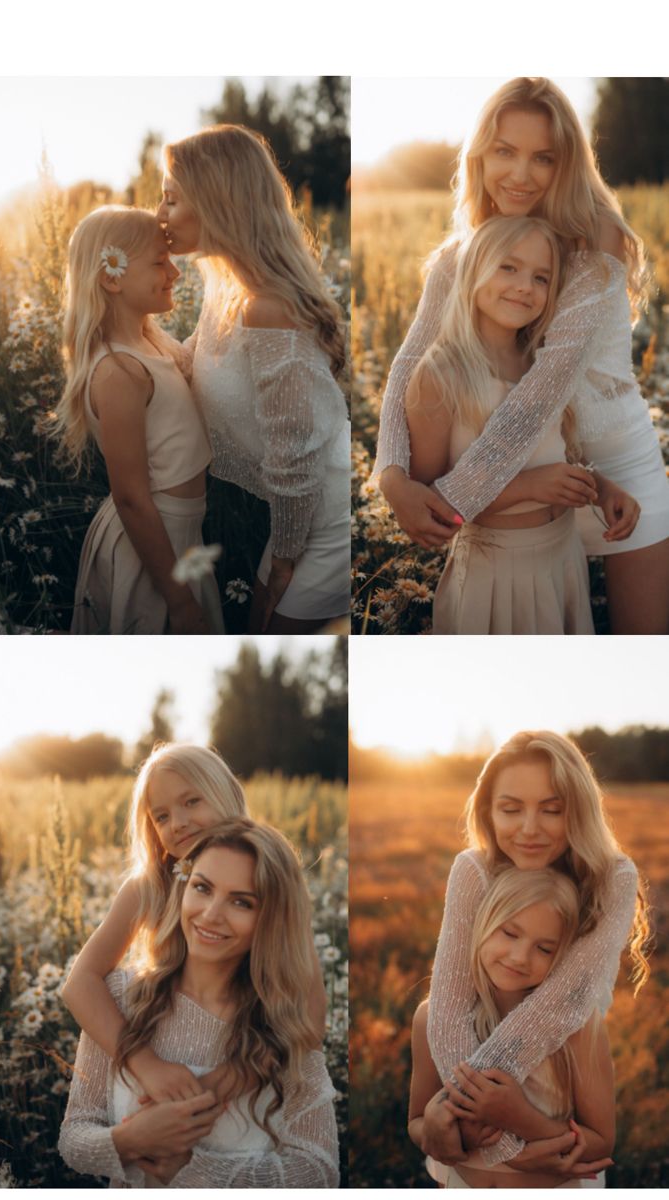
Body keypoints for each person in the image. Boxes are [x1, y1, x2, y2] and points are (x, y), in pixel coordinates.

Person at [376, 78, 669, 633]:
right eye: (504, 152)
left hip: (615, 468)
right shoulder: (462, 256)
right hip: (519, 480)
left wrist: (445, 500)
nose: (520, 173)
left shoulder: (595, 239)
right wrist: (393, 480)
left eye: (543, 158)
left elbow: (545, 388)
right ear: (480, 155)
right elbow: (410, 363)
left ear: (567, 165)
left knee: (647, 638)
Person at [58, 820, 340, 1187]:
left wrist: (188, 1167)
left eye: (242, 902)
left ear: (271, 919)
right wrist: (129, 1140)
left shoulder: (286, 1025)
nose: (210, 914)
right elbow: (74, 1136)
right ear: (183, 886)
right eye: (202, 888)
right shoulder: (118, 998)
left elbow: (319, 1172)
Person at [419, 731, 649, 1180]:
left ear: (577, 810)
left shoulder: (611, 878)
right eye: (510, 809)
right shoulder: (473, 869)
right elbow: (446, 1011)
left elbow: (562, 1003)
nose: (528, 828)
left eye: (552, 809)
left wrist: (492, 1125)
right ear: (488, 810)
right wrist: (505, 1146)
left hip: (565, 1063)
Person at [157, 125, 350, 634]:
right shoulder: (224, 286)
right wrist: (118, 318)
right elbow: (185, 363)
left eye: (171, 199)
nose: (160, 215)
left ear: (215, 200)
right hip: (294, 510)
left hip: (324, 510)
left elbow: (295, 453)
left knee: (276, 631)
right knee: (258, 626)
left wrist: (285, 559)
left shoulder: (268, 309)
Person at [406, 214, 638, 634]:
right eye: (508, 267)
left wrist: (599, 488)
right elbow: (429, 510)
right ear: (474, 268)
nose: (524, 287)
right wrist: (528, 488)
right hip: (495, 572)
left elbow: (555, 455)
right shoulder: (440, 374)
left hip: (562, 558)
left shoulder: (545, 363)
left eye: (541, 277)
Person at [61, 743, 327, 1103]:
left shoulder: (269, 874)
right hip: (162, 1055)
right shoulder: (148, 887)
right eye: (162, 816)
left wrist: (232, 1080)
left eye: (191, 802)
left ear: (227, 793)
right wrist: (143, 1062)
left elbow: (311, 1012)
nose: (179, 823)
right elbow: (80, 983)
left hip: (251, 1061)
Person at [54, 206, 223, 635]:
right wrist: (181, 602)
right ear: (112, 276)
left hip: (182, 537)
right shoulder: (119, 372)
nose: (175, 273)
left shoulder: (153, 343)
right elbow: (130, 496)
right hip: (150, 550)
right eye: (159, 261)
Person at [409, 868, 616, 1187]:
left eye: (544, 949)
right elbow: (416, 1120)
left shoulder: (577, 1026)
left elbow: (601, 1143)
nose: (520, 957)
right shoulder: (433, 1018)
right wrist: (431, 1127)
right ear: (481, 924)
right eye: (509, 933)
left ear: (563, 956)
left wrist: (520, 1117)